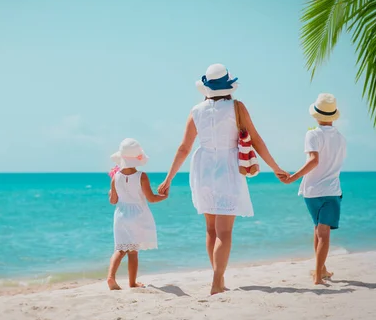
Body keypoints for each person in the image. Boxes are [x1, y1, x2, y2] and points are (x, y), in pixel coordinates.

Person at [158, 64, 286, 295]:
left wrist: (168, 179)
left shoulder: (196, 110)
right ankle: (217, 282)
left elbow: (184, 148)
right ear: (228, 86)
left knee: (211, 230)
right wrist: (276, 168)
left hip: (203, 168)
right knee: (224, 232)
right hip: (228, 167)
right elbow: (256, 140)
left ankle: (219, 278)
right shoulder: (237, 107)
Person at [280, 93, 346, 285]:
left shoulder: (312, 134)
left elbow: (314, 161)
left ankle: (321, 271)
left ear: (316, 115)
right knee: (323, 232)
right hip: (332, 191)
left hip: (311, 191)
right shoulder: (341, 139)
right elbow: (323, 162)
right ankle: (318, 275)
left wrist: (292, 177)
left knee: (318, 230)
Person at [107, 138, 167, 290]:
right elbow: (151, 199)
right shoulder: (142, 176)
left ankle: (111, 277)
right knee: (133, 252)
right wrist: (164, 196)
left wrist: (110, 193)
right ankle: (132, 283)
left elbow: (113, 201)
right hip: (137, 215)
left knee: (120, 249)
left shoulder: (115, 177)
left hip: (120, 215)